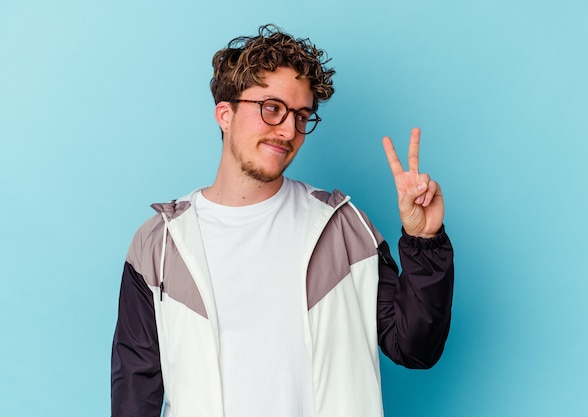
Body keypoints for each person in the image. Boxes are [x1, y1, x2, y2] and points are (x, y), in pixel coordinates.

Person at [111, 24, 454, 417]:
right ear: (226, 114)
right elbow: (135, 392)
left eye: (301, 115)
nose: (289, 130)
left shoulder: (343, 227)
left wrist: (425, 241)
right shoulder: (160, 243)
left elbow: (414, 348)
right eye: (272, 108)